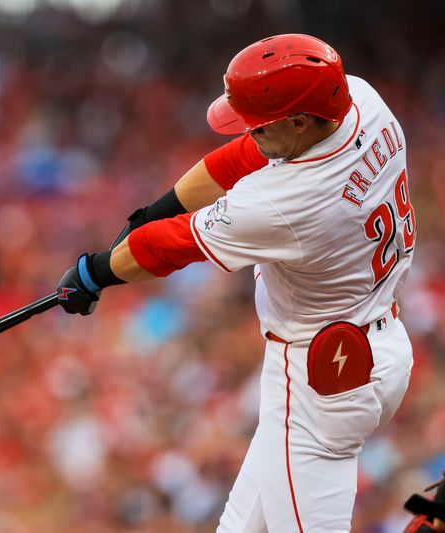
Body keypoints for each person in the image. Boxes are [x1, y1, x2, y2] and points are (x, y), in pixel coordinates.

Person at [56, 34, 415, 532]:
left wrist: (93, 274)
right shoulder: (360, 99)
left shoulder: (288, 202)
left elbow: (167, 247)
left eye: (262, 126)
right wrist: (151, 212)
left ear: (298, 121)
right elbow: (242, 156)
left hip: (319, 378)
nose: (250, 134)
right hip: (376, 343)